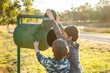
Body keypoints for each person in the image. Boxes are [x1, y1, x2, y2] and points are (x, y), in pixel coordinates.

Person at [46, 9, 83, 73]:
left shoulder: (69, 44)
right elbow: (65, 32)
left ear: (70, 38)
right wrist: (58, 23)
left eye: (65, 35)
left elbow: (58, 32)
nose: (63, 35)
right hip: (78, 70)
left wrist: (50, 16)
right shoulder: (74, 44)